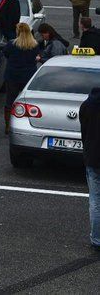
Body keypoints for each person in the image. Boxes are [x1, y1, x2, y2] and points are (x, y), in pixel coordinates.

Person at [1, 22, 39, 133]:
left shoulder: (11, 44)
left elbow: (6, 54)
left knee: (10, 102)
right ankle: (27, 125)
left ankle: (8, 126)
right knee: (28, 102)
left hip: (13, 75)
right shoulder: (34, 45)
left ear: (18, 31)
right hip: (28, 76)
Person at [78, 87, 100, 251]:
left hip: (93, 157)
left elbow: (84, 132)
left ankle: (97, 238)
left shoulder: (87, 105)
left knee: (96, 200)